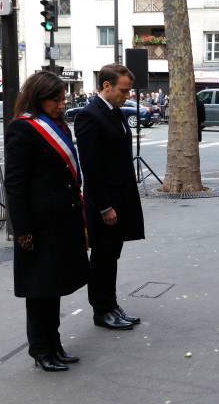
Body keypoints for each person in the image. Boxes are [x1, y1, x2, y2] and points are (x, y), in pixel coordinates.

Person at [4, 71, 89, 372]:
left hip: (61, 221)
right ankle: (40, 350)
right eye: (56, 99)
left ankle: (55, 344)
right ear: (39, 98)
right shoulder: (23, 129)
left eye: (63, 98)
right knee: (39, 291)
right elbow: (15, 184)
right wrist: (22, 230)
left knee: (54, 288)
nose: (62, 104)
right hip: (38, 225)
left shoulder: (57, 125)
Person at [74, 64, 145, 330]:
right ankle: (102, 310)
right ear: (106, 86)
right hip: (104, 202)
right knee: (102, 257)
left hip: (120, 197)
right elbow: (91, 166)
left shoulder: (115, 113)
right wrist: (104, 206)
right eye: (123, 90)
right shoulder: (90, 116)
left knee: (111, 255)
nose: (127, 95)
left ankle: (111, 305)